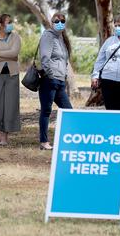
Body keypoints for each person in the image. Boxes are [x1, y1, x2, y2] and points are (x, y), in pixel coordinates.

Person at [38, 12, 74, 150]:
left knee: (68, 111)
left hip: (60, 81)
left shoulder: (61, 38)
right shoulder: (48, 36)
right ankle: (44, 142)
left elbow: (64, 60)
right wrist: (51, 75)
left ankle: (68, 139)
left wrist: (63, 75)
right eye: (57, 21)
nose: (60, 23)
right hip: (49, 80)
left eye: (62, 21)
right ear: (52, 23)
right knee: (46, 111)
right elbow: (45, 58)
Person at [0, 14, 22, 145]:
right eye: (9, 22)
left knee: (10, 105)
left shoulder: (16, 37)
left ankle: (5, 137)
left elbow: (15, 53)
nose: (11, 24)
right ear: (0, 25)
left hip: (12, 74)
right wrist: (8, 55)